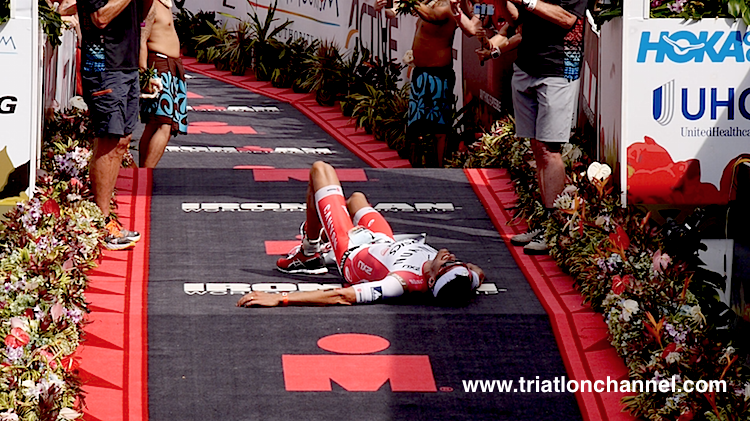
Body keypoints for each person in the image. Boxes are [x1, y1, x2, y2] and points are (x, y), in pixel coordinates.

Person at [236, 161, 485, 308]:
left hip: (352, 251)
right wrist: (465, 272)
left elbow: (340, 296)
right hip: (382, 241)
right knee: (356, 199)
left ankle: (309, 253)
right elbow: (476, 272)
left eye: (446, 263)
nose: (451, 257)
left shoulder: (399, 283)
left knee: (320, 170)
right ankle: (324, 235)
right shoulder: (465, 278)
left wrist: (280, 299)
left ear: (430, 281)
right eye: (456, 263)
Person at [496, 0, 587, 255]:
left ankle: (557, 228)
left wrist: (528, 0)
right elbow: (518, 20)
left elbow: (568, 19)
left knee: (549, 149)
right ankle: (546, 223)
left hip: (558, 68)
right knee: (537, 147)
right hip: (527, 65)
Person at [376, 0, 483, 167]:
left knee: (439, 129)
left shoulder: (450, 7)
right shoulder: (429, 2)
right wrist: (383, 8)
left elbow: (433, 16)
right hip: (420, 74)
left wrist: (409, 1)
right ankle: (415, 168)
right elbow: (394, 12)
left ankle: (440, 167)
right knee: (414, 125)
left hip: (439, 75)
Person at [78, 0, 142, 250]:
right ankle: (100, 223)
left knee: (122, 141)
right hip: (103, 66)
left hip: (126, 63)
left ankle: (105, 218)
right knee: (109, 139)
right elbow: (100, 18)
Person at [138, 0, 188, 168]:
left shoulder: (165, 3)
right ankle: (146, 173)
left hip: (170, 66)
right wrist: (144, 73)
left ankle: (143, 173)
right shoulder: (150, 3)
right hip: (158, 65)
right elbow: (142, 37)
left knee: (156, 123)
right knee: (163, 123)